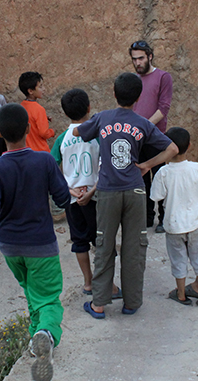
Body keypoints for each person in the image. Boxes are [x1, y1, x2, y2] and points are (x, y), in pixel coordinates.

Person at [0, 103, 70, 381]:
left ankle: (35, 335)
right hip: (41, 246)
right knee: (48, 297)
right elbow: (62, 199)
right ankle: (46, 333)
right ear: (28, 129)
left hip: (10, 247)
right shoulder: (44, 161)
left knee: (30, 290)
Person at [75, 72, 178, 318]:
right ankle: (132, 302)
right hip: (135, 190)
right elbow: (172, 148)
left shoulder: (102, 118)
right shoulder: (143, 123)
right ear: (138, 97)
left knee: (104, 244)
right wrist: (148, 165)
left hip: (108, 191)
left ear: (114, 93)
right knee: (134, 247)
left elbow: (78, 132)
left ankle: (99, 304)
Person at [51, 89, 121, 299]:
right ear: (89, 108)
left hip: (73, 199)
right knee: (102, 242)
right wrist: (91, 191)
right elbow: (107, 165)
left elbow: (52, 169)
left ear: (65, 113)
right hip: (97, 196)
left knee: (79, 241)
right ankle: (108, 285)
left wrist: (70, 190)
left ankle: (88, 282)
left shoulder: (62, 139)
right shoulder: (98, 135)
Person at [150, 127, 198, 307]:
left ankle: (180, 294)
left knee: (178, 260)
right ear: (190, 145)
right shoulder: (197, 168)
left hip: (173, 225)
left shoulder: (163, 173)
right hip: (197, 222)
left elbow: (156, 196)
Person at [129, 40, 173, 232]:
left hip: (156, 137)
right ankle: (147, 217)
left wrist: (144, 127)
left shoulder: (163, 77)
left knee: (160, 177)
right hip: (136, 138)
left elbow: (163, 108)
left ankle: (164, 217)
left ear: (150, 56)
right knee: (142, 179)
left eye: (141, 58)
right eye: (134, 59)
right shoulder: (133, 80)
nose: (137, 62)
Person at [19, 71, 56, 153]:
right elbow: (44, 133)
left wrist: (44, 118)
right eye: (40, 87)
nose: (44, 89)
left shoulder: (22, 106)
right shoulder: (39, 109)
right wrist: (52, 131)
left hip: (27, 151)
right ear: (30, 91)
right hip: (40, 151)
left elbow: (30, 119)